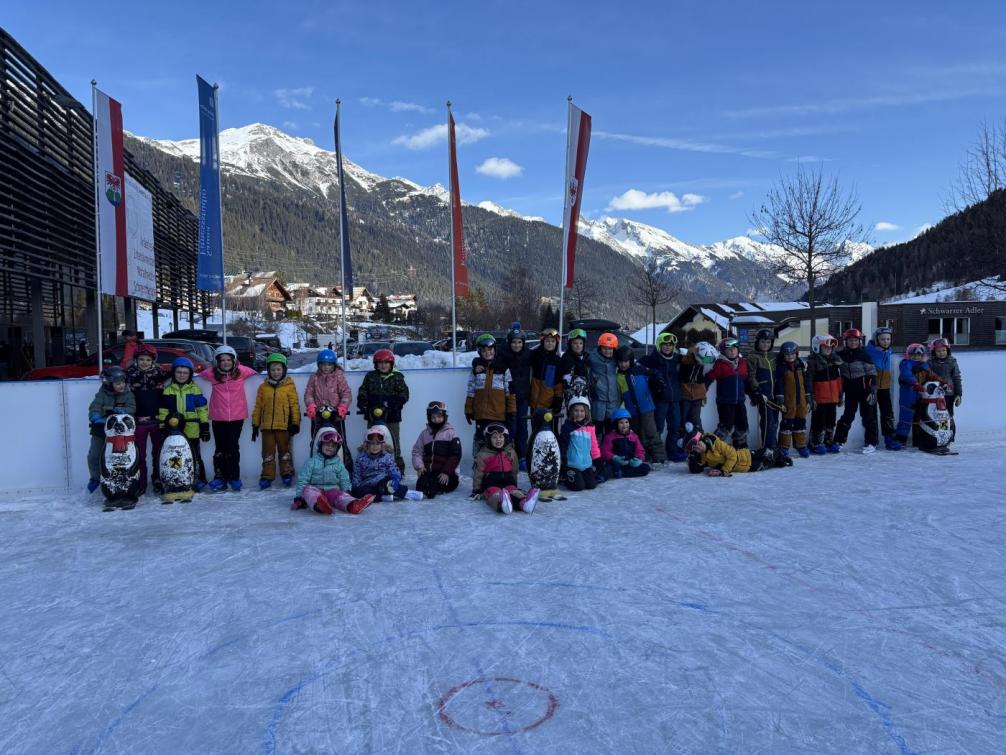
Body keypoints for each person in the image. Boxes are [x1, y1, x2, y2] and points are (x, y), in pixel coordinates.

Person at [199, 344, 259, 491]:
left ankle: (234, 477)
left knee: (232, 448)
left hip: (236, 418)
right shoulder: (212, 374)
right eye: (222, 360)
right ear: (217, 362)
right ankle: (220, 477)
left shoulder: (241, 372)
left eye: (228, 360)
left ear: (234, 361)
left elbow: (254, 372)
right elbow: (199, 374)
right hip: (218, 417)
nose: (225, 362)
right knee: (220, 449)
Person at [291, 428, 374, 515]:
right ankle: (319, 506)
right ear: (321, 445)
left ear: (336, 449)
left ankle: (353, 505)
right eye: (327, 444)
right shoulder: (312, 462)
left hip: (332, 491)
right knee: (308, 490)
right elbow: (303, 480)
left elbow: (344, 479)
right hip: (316, 490)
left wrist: (347, 492)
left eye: (333, 446)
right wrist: (299, 497)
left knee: (340, 496)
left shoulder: (338, 464)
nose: (330, 447)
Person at [121, 343, 168, 494]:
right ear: (136, 360)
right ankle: (140, 482)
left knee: (158, 452)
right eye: (141, 359)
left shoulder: (160, 374)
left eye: (148, 360)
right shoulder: (130, 375)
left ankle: (158, 479)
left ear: (153, 361)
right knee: (140, 454)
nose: (144, 363)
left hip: (157, 420)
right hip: (139, 421)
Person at [157, 357, 209, 491]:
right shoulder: (168, 390)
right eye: (179, 372)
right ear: (174, 373)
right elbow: (163, 411)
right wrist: (163, 426)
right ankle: (177, 478)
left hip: (192, 429)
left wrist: (204, 425)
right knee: (175, 455)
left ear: (190, 374)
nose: (181, 375)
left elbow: (202, 409)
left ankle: (198, 479)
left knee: (195, 455)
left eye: (185, 373)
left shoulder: (194, 390)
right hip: (174, 431)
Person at [251, 353, 300, 489]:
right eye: (272, 369)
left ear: (284, 370)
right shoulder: (263, 387)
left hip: (284, 427)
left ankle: (287, 473)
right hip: (267, 427)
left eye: (278, 369)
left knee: (285, 452)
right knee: (267, 453)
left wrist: (295, 423)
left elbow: (294, 406)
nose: (275, 372)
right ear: (268, 370)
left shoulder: (289, 386)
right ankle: (267, 476)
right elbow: (258, 406)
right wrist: (255, 423)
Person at [357, 348, 410, 473]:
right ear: (376, 364)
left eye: (386, 362)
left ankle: (397, 467)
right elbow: (362, 392)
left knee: (394, 441)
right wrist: (364, 405)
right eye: (380, 363)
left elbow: (404, 395)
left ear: (391, 364)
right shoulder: (370, 377)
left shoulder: (397, 377)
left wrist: (394, 405)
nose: (383, 365)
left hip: (392, 416)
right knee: (372, 440)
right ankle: (369, 467)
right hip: (372, 416)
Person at [86, 366, 137, 493]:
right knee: (93, 456)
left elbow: (132, 408)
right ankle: (95, 478)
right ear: (109, 384)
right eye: (118, 383)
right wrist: (95, 417)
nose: (122, 386)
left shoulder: (128, 394)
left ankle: (124, 479)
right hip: (101, 430)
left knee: (119, 457)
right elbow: (95, 407)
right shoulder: (102, 394)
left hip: (120, 432)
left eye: (123, 382)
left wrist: (123, 412)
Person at [464, 334, 516, 456]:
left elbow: (510, 392)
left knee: (498, 440)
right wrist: (468, 409)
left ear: (495, 350)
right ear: (479, 352)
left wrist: (511, 411)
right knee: (481, 439)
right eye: (484, 350)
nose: (488, 353)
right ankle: (478, 463)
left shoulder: (503, 369)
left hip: (499, 414)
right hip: (481, 414)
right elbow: (471, 390)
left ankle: (500, 465)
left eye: (490, 350)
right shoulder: (476, 370)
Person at [471, 423, 539, 514]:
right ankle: (502, 504)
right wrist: (476, 489)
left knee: (514, 492)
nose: (498, 439)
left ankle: (524, 503)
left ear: (505, 438)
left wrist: (515, 483)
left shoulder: (510, 452)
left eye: (500, 437)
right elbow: (478, 473)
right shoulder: (483, 454)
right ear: (488, 439)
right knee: (494, 494)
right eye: (494, 437)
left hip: (508, 482)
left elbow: (514, 470)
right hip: (491, 484)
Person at [614, 345, 665, 463]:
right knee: (638, 434)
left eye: (626, 361)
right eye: (620, 362)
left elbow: (653, 373)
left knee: (651, 432)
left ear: (630, 360)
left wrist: (658, 379)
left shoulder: (639, 369)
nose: (623, 364)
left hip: (646, 406)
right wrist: (616, 410)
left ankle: (660, 457)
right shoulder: (619, 377)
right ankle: (644, 457)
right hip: (632, 411)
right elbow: (619, 395)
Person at [834, 328, 880, 454]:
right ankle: (839, 440)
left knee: (868, 416)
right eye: (850, 340)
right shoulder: (841, 355)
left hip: (864, 390)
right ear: (845, 341)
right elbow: (832, 361)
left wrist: (872, 390)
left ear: (860, 341)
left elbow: (872, 373)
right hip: (850, 390)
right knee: (847, 416)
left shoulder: (864, 355)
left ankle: (871, 442)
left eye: (856, 340)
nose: (853, 343)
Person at [642, 332, 685, 462]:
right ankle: (656, 453)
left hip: (675, 399)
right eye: (665, 344)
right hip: (660, 399)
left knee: (675, 426)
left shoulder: (676, 358)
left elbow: (691, 361)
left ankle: (671, 452)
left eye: (670, 345)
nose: (667, 347)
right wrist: (651, 372)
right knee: (658, 427)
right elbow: (636, 365)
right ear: (659, 345)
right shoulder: (653, 359)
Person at [351, 425, 423, 501]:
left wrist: (395, 479)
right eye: (372, 443)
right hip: (368, 485)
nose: (375, 447)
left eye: (378, 444)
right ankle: (382, 497)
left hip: (382, 482)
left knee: (388, 485)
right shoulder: (361, 458)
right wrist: (356, 486)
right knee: (357, 492)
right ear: (367, 445)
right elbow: (357, 474)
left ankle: (407, 494)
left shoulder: (386, 457)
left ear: (382, 445)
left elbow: (394, 470)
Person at [895, 343, 946, 447]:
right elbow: (906, 374)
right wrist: (915, 383)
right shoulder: (906, 364)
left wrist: (943, 382)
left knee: (919, 417)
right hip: (908, 394)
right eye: (914, 355)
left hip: (920, 394)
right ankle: (901, 440)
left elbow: (932, 375)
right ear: (909, 355)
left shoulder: (924, 365)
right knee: (906, 417)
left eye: (919, 355)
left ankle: (917, 440)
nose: (916, 357)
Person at [705, 337, 752, 448]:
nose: (732, 352)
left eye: (734, 349)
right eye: (729, 350)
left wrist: (754, 393)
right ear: (723, 352)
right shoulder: (720, 364)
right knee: (726, 427)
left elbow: (745, 380)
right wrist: (702, 392)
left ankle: (740, 448)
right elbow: (709, 378)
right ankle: (714, 448)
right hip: (725, 402)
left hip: (740, 401)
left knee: (743, 426)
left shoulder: (742, 363)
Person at [411, 400, 463, 499]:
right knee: (420, 486)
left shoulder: (451, 434)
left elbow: (455, 455)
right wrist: (420, 466)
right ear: (429, 418)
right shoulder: (424, 434)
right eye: (433, 417)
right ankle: (428, 486)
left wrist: (446, 472)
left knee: (434, 488)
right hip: (430, 471)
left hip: (448, 473)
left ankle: (434, 488)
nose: (436, 420)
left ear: (444, 417)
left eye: (439, 417)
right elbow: (417, 451)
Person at [684, 431, 791, 476]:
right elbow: (696, 469)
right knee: (765, 465)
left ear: (702, 439)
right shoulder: (703, 457)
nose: (699, 448)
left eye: (699, 444)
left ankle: (779, 454)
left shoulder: (716, 443)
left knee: (767, 453)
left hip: (746, 455)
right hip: (745, 468)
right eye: (696, 449)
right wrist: (692, 458)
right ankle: (780, 462)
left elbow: (732, 455)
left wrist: (723, 471)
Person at [865, 327, 901, 450]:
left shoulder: (888, 351)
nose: (886, 341)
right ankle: (871, 441)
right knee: (871, 415)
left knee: (887, 413)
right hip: (872, 388)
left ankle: (889, 438)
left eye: (888, 339)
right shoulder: (869, 351)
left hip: (885, 387)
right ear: (877, 339)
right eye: (883, 339)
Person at [304, 349, 352, 441]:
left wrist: (343, 407)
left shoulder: (339, 377)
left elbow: (346, 393)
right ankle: (315, 453)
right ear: (319, 365)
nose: (326, 367)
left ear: (334, 365)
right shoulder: (314, 378)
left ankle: (344, 453)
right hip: (318, 415)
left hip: (336, 415)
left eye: (329, 364)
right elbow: (308, 393)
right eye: (323, 364)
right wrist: (310, 406)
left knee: (339, 439)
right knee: (317, 439)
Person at [501, 326, 533, 467]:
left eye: (519, 342)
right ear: (509, 342)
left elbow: (544, 357)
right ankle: (509, 454)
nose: (517, 345)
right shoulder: (503, 354)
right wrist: (476, 363)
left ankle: (522, 456)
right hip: (508, 397)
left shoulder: (528, 354)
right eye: (514, 342)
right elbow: (486, 360)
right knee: (510, 427)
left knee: (522, 427)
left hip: (524, 397)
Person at [773, 341, 811, 458]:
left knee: (801, 422)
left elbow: (806, 383)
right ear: (783, 355)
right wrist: (780, 400)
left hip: (801, 400)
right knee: (787, 424)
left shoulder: (801, 366)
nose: (790, 357)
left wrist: (809, 398)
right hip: (788, 401)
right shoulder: (781, 368)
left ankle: (801, 445)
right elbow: (778, 385)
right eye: (787, 355)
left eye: (793, 354)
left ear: (797, 354)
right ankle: (784, 446)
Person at [807, 335, 844, 454]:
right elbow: (808, 381)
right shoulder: (813, 363)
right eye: (825, 347)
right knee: (819, 420)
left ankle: (828, 440)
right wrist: (810, 397)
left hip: (832, 398)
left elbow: (839, 380)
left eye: (830, 348)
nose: (828, 350)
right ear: (817, 348)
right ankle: (816, 442)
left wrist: (840, 395)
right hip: (819, 399)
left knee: (831, 420)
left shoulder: (835, 362)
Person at [746, 328, 779, 451]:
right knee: (767, 422)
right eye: (763, 342)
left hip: (774, 395)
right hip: (763, 396)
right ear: (757, 342)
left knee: (775, 422)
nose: (766, 345)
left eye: (768, 342)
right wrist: (757, 391)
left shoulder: (772, 357)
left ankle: (774, 446)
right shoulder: (753, 357)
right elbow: (751, 376)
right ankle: (768, 447)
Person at [559, 396, 601, 491]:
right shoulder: (568, 427)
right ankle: (565, 478)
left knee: (591, 485)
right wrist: (563, 462)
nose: (579, 414)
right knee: (579, 487)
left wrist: (598, 460)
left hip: (586, 464)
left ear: (586, 412)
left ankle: (582, 475)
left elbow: (594, 445)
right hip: (572, 464)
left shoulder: (590, 427)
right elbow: (563, 445)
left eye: (582, 411)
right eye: (576, 411)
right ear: (571, 412)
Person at [528, 328, 563, 435]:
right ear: (542, 342)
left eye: (552, 342)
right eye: (547, 341)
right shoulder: (534, 356)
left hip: (550, 405)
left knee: (551, 431)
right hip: (535, 404)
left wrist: (558, 402)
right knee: (536, 431)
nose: (550, 344)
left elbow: (559, 384)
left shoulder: (557, 361)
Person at [928, 338, 963, 441]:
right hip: (935, 394)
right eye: (938, 351)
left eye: (944, 350)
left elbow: (957, 378)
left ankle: (949, 436)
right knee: (936, 415)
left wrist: (958, 394)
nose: (941, 353)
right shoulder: (930, 362)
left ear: (948, 350)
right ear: (934, 351)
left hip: (948, 394)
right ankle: (938, 435)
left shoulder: (952, 362)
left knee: (947, 415)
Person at [679, 339, 715, 439]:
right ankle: (683, 441)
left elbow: (714, 361)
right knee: (683, 420)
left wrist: (704, 388)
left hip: (697, 395)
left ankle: (700, 440)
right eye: (702, 360)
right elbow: (684, 363)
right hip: (685, 395)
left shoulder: (707, 358)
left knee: (696, 420)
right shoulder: (687, 360)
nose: (704, 362)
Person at [599, 407, 650, 478]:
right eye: (621, 423)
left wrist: (639, 459)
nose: (624, 425)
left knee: (645, 468)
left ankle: (621, 473)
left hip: (629, 462)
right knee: (609, 467)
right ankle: (604, 476)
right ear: (615, 424)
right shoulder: (610, 437)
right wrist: (614, 457)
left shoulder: (634, 436)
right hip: (616, 462)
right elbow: (604, 451)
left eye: (626, 422)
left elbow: (640, 450)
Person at [587, 332, 621, 437]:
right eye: (605, 348)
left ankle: (608, 449)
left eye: (610, 349)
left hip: (612, 400)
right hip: (598, 399)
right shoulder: (592, 358)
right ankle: (596, 450)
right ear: (600, 348)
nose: (607, 351)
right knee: (597, 427)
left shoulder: (616, 360)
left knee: (611, 428)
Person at [559, 327, 591, 415]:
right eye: (575, 343)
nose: (578, 346)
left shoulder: (586, 357)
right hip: (571, 394)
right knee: (573, 416)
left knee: (585, 416)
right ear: (570, 344)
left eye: (581, 343)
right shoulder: (566, 358)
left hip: (585, 393)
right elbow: (563, 377)